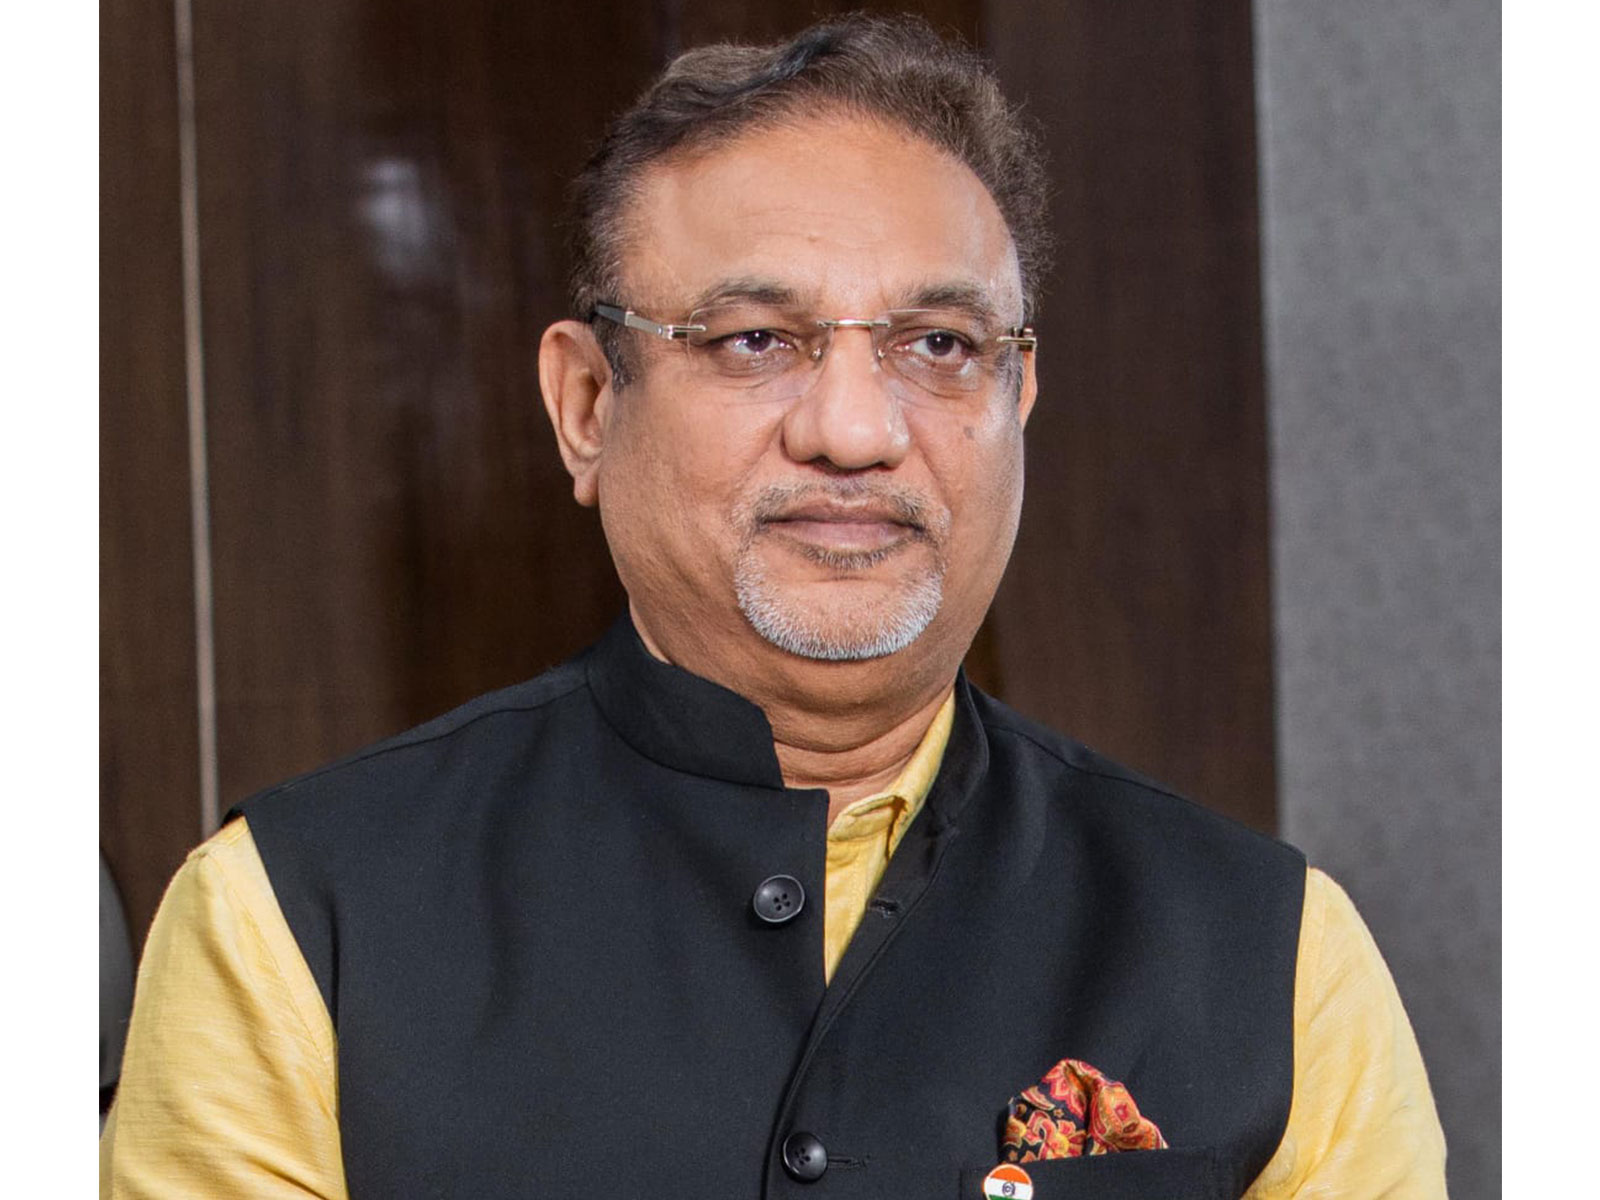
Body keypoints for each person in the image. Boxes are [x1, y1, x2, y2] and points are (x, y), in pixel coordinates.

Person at [100, 15, 1446, 1199]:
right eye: (755, 341)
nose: (856, 430)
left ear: (1017, 401)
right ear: (587, 405)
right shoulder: (297, 921)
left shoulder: (1273, 953)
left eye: (939, 345)